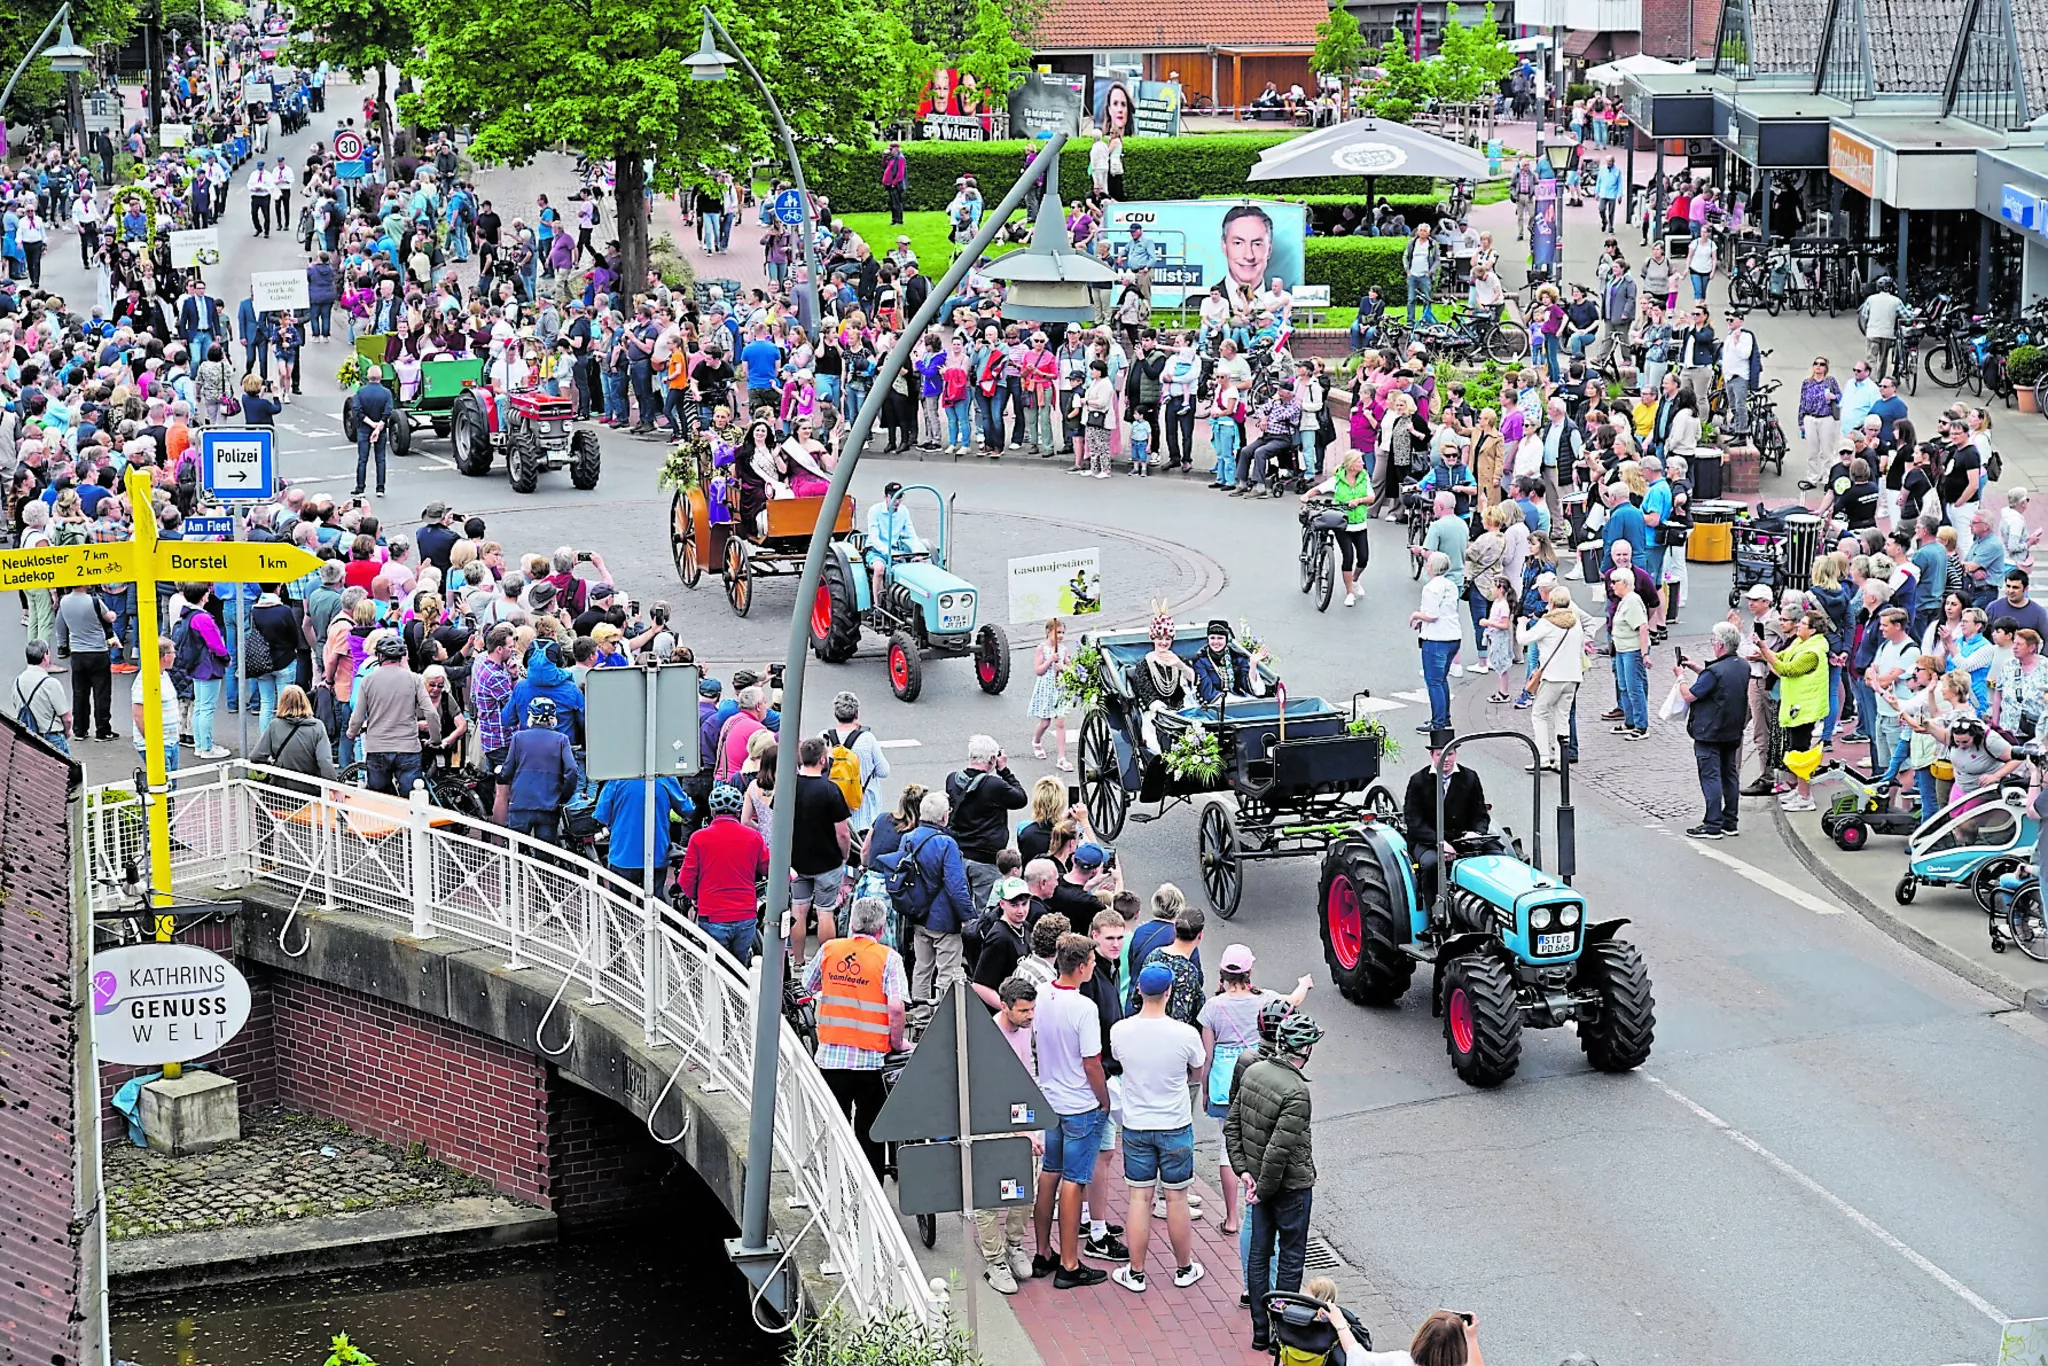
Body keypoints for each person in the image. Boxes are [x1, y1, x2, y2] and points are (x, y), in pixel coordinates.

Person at [1226, 1011, 1324, 1353]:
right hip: (1290, 1188)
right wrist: (1262, 1190)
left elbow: (1232, 1126)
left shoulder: (1253, 1071)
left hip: (1258, 1183)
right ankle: (1280, 1335)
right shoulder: (1297, 1091)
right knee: (1291, 1258)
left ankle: (1259, 1332)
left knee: (1259, 1253)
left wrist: (1244, 1173)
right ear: (1305, 1050)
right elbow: (1280, 1151)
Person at [1107, 961, 1207, 1295]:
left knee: (1139, 1197)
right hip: (1175, 1124)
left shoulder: (1120, 1031)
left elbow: (1118, 1061)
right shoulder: (1185, 1034)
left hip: (1136, 1125)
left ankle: (1136, 1273)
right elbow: (1197, 1070)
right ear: (1169, 991)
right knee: (1177, 1199)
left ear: (1138, 989)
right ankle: (1184, 1268)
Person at [1198, 948, 1311, 1239]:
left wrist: (1205, 1090)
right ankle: (1258, 1202)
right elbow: (1293, 1002)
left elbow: (1207, 1056)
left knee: (1227, 1147)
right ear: (1249, 972)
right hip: (1259, 1078)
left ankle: (1231, 1217)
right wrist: (1304, 983)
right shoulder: (1265, 999)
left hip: (1224, 1083)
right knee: (1264, 1143)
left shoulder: (1212, 1007)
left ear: (1222, 973)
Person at [803, 896, 908, 1182]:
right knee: (870, 1129)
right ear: (881, 928)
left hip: (831, 1057)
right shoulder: (889, 958)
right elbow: (896, 1007)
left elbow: (808, 984)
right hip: (871, 1060)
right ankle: (869, 1189)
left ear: (851, 924)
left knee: (834, 1126)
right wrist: (898, 1043)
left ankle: (833, 1184)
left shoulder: (829, 949)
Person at [1030, 932, 1112, 1290]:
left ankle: (1042, 1252)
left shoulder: (1042, 995)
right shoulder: (1084, 1008)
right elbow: (1091, 1062)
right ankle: (1069, 1263)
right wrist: (1104, 1099)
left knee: (1050, 1173)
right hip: (1080, 1103)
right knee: (1074, 1181)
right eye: (1091, 962)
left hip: (1051, 1100)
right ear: (1081, 967)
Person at [978, 975, 1042, 1295]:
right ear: (1005, 1007)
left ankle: (1014, 1244)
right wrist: (1023, 1132)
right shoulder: (990, 1039)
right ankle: (994, 1260)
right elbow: (993, 1094)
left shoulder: (1024, 1028)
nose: (1030, 1016)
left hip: (1022, 1116)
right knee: (989, 1196)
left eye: (1032, 1009)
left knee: (1026, 1189)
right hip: (993, 1122)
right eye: (1024, 1011)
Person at [880, 789, 974, 1000]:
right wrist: (967, 916)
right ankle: (943, 1014)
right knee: (947, 971)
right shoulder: (946, 843)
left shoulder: (908, 838)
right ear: (944, 816)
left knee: (922, 968)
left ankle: (920, 1013)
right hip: (944, 919)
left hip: (918, 914)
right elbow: (956, 885)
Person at [675, 782, 771, 963]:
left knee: (715, 969)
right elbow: (768, 868)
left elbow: (685, 880)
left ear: (712, 812)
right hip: (745, 914)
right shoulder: (753, 837)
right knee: (740, 967)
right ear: (738, 811)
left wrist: (695, 897)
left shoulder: (699, 838)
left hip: (712, 914)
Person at [1674, 621, 1751, 839]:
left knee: (1711, 777)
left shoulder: (1715, 672)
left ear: (1720, 645)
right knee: (1730, 775)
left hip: (1710, 731)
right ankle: (1730, 822)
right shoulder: (1742, 665)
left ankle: (1712, 824)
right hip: (1732, 730)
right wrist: (1695, 666)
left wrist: (1680, 677)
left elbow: (1689, 695)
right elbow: (1717, 679)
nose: (1712, 644)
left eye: (1713, 641)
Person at [788, 735, 853, 966]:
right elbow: (843, 833)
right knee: (825, 912)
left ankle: (798, 961)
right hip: (827, 861)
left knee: (798, 910)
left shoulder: (790, 786)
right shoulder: (830, 790)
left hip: (796, 860)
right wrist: (844, 855)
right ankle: (826, 964)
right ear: (823, 760)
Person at [1403, 741, 1490, 910]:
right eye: (1440, 755)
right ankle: (1433, 912)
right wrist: (1440, 843)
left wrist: (1476, 834)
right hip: (1428, 841)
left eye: (1449, 754)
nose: (1446, 759)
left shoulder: (1470, 777)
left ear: (1455, 754)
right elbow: (1414, 822)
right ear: (1432, 755)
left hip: (1463, 839)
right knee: (1431, 864)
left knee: (1497, 856)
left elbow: (1480, 814)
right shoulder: (1418, 780)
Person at [946, 734, 1027, 907]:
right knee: (985, 909)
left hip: (958, 853)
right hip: (985, 858)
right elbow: (1021, 798)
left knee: (960, 905)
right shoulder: (994, 785)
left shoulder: (952, 779)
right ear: (992, 759)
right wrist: (1004, 770)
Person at [346, 635, 433, 795]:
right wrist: (435, 737)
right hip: (408, 747)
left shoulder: (368, 680)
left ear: (380, 656)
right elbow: (431, 712)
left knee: (381, 799)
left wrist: (352, 733)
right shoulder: (414, 679)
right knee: (412, 797)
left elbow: (358, 716)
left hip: (377, 747)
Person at [497, 697, 581, 844]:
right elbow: (572, 771)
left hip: (521, 803)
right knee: (545, 852)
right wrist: (563, 795)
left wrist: (501, 776)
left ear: (531, 716)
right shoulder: (562, 740)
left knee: (516, 849)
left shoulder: (519, 738)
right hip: (549, 805)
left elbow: (507, 770)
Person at [1303, 450, 1376, 606]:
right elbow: (1318, 489)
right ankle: (1349, 592)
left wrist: (1359, 500)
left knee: (1363, 558)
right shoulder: (1337, 479)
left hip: (1360, 524)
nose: (1363, 464)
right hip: (1342, 524)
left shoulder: (1364, 478)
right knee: (1348, 556)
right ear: (1351, 465)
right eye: (1359, 461)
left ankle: (1354, 579)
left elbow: (1372, 497)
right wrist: (1306, 496)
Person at [1412, 551, 1462, 734]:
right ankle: (1444, 718)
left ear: (1432, 567)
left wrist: (1416, 615)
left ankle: (1438, 722)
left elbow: (1432, 615)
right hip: (1453, 636)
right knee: (1441, 680)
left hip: (1436, 639)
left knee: (1433, 681)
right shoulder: (1451, 585)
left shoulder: (1430, 588)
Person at [250, 684, 339, 785]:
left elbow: (256, 756)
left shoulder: (274, 725)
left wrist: (272, 764)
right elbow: (325, 762)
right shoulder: (317, 727)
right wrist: (334, 787)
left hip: (280, 787)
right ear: (305, 701)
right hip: (310, 788)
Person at [9, 640, 71, 753]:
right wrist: (67, 732)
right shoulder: (51, 683)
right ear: (45, 656)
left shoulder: (18, 681)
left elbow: (16, 705)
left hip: (29, 738)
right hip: (52, 737)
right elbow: (67, 718)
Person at [352, 364, 396, 497]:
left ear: (368, 376)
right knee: (380, 458)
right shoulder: (386, 393)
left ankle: (360, 488)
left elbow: (357, 410)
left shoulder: (361, 392)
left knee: (362, 459)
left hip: (364, 428)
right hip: (380, 429)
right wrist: (378, 426)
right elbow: (388, 411)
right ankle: (380, 488)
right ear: (381, 377)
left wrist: (371, 424)